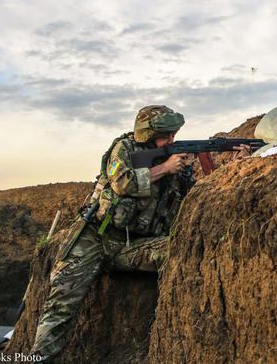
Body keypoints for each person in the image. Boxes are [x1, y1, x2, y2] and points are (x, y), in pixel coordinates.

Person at [30, 105, 248, 361]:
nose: (171, 140)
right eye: (165, 135)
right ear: (147, 134)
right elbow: (122, 183)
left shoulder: (175, 164)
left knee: (179, 253)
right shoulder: (123, 149)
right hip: (95, 238)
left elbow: (198, 197)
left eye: (173, 135)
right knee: (61, 306)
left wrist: (235, 168)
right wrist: (165, 168)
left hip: (132, 246)